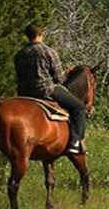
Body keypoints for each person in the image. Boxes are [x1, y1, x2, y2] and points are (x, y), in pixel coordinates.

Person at [15, 24, 87, 154]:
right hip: (45, 89)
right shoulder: (48, 51)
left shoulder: (20, 53)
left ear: (27, 36)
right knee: (79, 107)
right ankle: (74, 142)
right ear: (42, 35)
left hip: (23, 92)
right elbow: (59, 78)